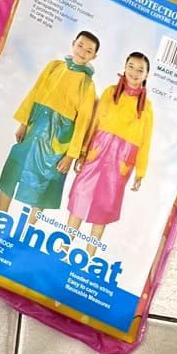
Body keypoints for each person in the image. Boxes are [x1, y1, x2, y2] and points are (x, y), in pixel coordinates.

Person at [0, 31, 99, 225]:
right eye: (80, 45)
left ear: (94, 56)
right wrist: (23, 123)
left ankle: (29, 227)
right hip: (36, 126)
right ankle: (0, 216)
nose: (82, 52)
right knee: (14, 166)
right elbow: (35, 92)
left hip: (59, 139)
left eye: (89, 51)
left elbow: (83, 122)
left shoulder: (88, 85)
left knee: (46, 181)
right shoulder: (54, 66)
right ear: (73, 44)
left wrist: (71, 155)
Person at [66, 52, 154, 256]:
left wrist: (140, 172)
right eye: (131, 66)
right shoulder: (110, 92)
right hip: (97, 151)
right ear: (125, 66)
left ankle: (87, 257)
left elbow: (145, 141)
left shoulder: (147, 107)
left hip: (121, 160)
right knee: (80, 196)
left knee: (104, 206)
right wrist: (83, 151)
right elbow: (94, 122)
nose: (134, 72)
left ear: (146, 75)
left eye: (140, 70)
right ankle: (62, 246)